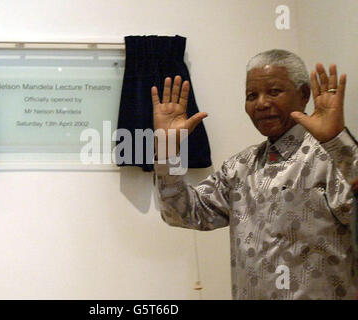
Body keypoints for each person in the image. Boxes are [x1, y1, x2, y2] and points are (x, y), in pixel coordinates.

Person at [152, 49, 358, 299]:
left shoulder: (330, 158)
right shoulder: (239, 167)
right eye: (252, 95)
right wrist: (166, 151)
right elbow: (180, 212)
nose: (261, 103)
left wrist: (337, 141)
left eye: (274, 92)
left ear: (303, 95)